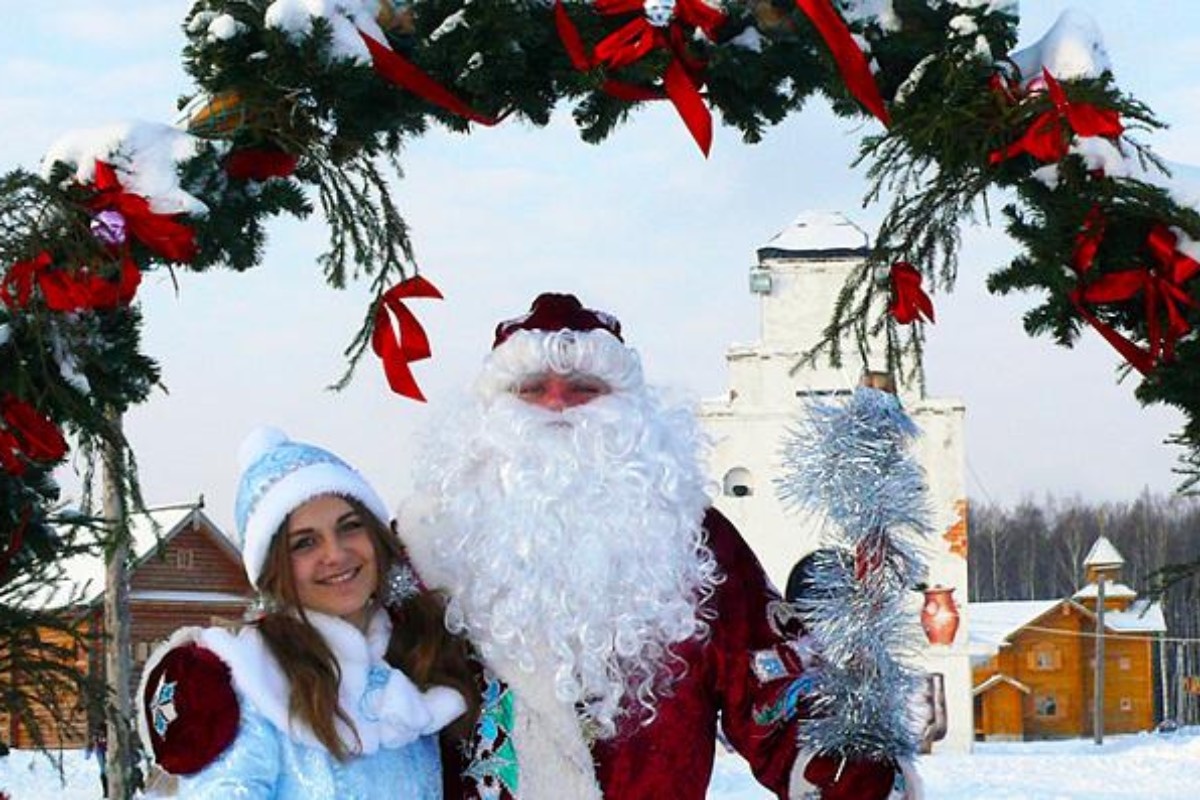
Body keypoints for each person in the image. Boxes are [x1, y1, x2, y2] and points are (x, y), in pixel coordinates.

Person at [397, 292, 919, 799]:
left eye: (582, 388)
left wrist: (854, 762)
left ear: (630, 415)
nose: (557, 405)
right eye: (532, 388)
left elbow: (778, 700)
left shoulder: (698, 544)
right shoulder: (427, 550)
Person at [136, 427, 475, 798]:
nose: (336, 553)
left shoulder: (416, 655)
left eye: (350, 527)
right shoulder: (252, 683)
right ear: (275, 570)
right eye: (305, 543)